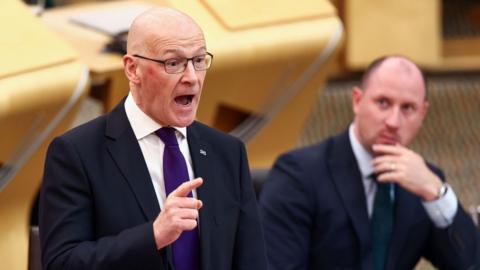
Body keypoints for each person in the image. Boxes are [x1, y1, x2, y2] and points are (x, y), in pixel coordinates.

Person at [39, 7, 267, 270]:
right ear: (133, 69)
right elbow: (61, 263)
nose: (192, 78)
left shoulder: (228, 152)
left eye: (199, 61)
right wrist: (153, 236)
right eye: (174, 63)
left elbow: (251, 261)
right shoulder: (77, 153)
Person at [259, 56, 478, 270]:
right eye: (383, 103)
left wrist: (437, 194)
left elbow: (471, 262)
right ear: (357, 100)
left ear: (423, 113)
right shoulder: (298, 174)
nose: (393, 122)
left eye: (408, 108)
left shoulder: (424, 181)